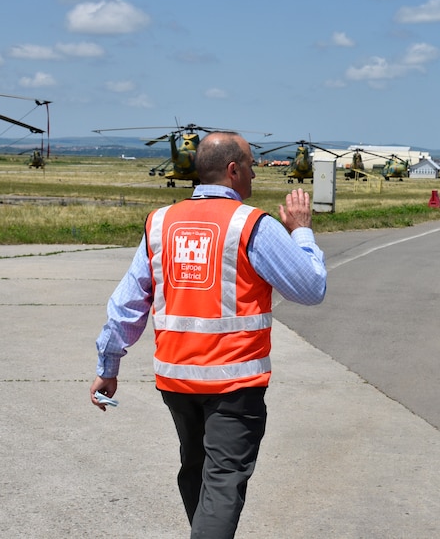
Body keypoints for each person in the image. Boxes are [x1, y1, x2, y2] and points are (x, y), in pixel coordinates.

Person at [90, 131, 327, 539]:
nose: (254, 174)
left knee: (196, 471)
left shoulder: (160, 222)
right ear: (233, 171)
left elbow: (128, 302)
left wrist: (108, 364)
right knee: (223, 482)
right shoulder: (252, 224)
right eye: (251, 166)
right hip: (233, 383)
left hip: (177, 380)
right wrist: (301, 232)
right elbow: (310, 288)